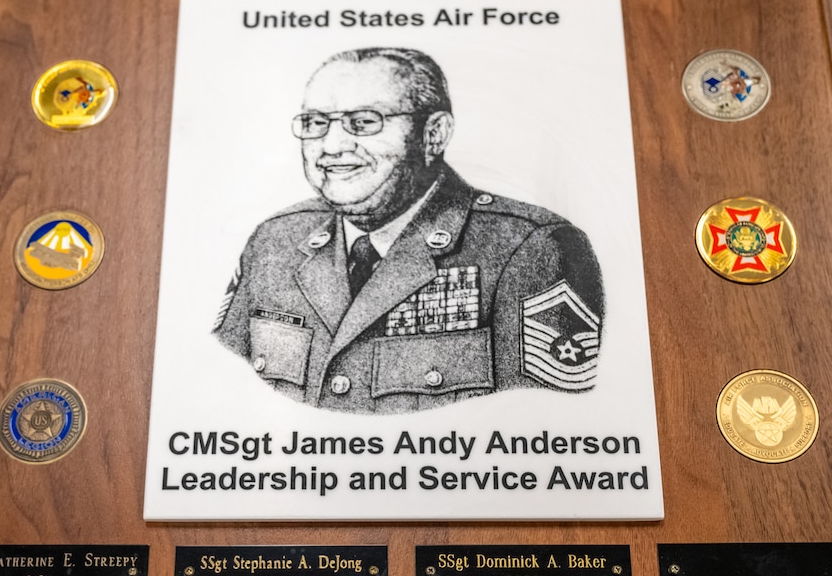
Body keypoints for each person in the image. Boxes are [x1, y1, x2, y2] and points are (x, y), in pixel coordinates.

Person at [213, 46, 604, 413]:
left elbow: (549, 428)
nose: (331, 145)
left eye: (363, 122)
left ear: (433, 134)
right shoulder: (273, 241)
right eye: (315, 123)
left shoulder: (531, 248)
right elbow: (221, 395)